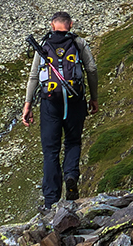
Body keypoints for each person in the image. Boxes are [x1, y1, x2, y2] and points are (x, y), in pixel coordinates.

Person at [22, 11, 98, 209]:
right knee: (73, 141)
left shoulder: (43, 45)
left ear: (52, 25)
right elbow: (91, 69)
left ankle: (50, 201)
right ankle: (71, 175)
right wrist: (94, 98)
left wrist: (28, 104)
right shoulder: (79, 43)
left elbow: (33, 77)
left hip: (50, 102)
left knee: (50, 151)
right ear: (70, 25)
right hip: (75, 100)